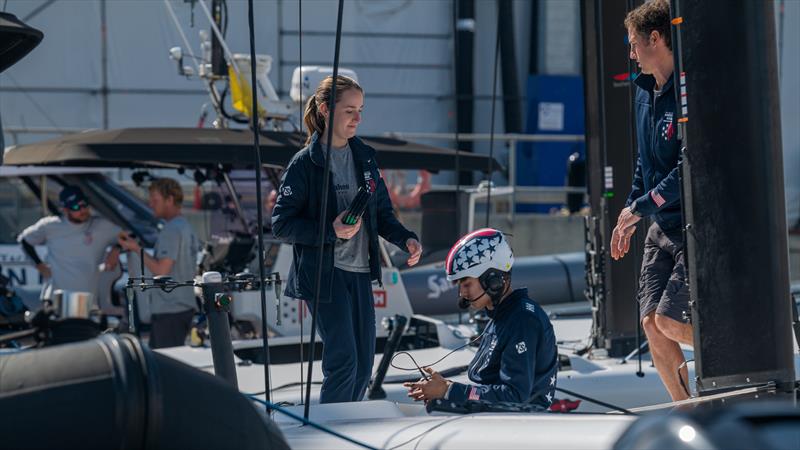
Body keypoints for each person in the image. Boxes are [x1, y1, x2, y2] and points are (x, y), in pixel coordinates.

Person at [272, 75, 422, 403]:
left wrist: (406, 239)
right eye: (350, 111)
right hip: (324, 276)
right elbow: (281, 225)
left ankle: (349, 426)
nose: (358, 118)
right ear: (326, 110)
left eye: (361, 110)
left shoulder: (365, 157)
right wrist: (330, 230)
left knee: (364, 365)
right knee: (344, 361)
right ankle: (332, 430)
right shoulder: (303, 164)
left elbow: (381, 212)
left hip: (359, 273)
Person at [611, 0, 694, 401]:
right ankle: (689, 414)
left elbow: (688, 166)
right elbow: (645, 164)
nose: (630, 53)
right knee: (649, 323)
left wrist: (641, 206)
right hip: (660, 225)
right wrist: (629, 212)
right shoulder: (644, 92)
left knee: (670, 321)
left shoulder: (686, 89)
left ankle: (744, 346)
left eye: (633, 44)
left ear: (655, 39)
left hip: (691, 224)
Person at [404, 228, 558, 408]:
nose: (462, 292)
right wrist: (444, 390)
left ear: (493, 280)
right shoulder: (504, 316)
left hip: (518, 427)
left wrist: (448, 390)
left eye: (466, 283)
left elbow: (515, 396)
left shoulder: (522, 321)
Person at [118, 178, 200, 349]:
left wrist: (136, 249)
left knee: (164, 369)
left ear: (169, 200)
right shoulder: (186, 226)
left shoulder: (170, 230)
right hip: (183, 306)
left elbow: (162, 270)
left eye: (155, 199)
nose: (151, 204)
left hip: (170, 311)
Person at [18, 185, 121, 305]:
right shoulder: (50, 226)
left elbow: (131, 237)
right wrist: (39, 265)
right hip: (55, 298)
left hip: (88, 299)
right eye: (76, 207)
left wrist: (116, 250)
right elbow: (24, 241)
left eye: (84, 205)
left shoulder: (102, 226)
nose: (82, 210)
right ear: (65, 210)